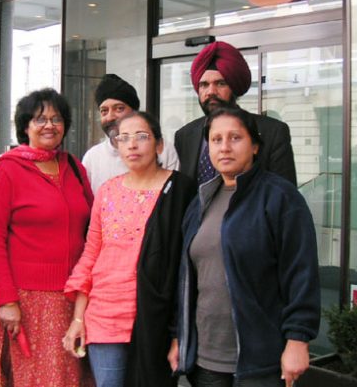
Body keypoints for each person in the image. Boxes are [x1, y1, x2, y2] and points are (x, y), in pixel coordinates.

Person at [169, 107, 320, 387]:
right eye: (216, 140)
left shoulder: (280, 198)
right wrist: (180, 335)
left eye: (235, 138)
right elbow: (187, 278)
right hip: (205, 360)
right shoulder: (200, 201)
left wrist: (298, 339)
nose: (224, 147)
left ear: (254, 146)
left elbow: (301, 272)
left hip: (259, 360)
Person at [63, 111, 196, 387]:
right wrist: (78, 318)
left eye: (141, 137)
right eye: (123, 139)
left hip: (154, 316)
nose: (132, 145)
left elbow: (187, 265)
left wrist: (179, 330)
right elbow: (92, 253)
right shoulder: (107, 191)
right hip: (105, 315)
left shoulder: (180, 190)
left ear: (159, 145)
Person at [0, 88, 94, 387]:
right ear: (25, 126)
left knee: (71, 378)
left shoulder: (74, 167)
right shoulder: (6, 170)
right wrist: (6, 300)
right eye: (40, 118)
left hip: (75, 298)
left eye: (56, 119)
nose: (49, 125)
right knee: (36, 378)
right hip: (28, 301)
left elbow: (93, 228)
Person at [174, 41, 296, 186]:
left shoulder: (272, 132)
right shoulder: (185, 136)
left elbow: (286, 197)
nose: (211, 91)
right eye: (204, 85)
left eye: (220, 83)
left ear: (234, 88)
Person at [83, 73, 180, 193]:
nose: (110, 117)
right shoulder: (92, 158)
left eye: (119, 108)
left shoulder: (163, 149)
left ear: (135, 112)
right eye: (104, 111)